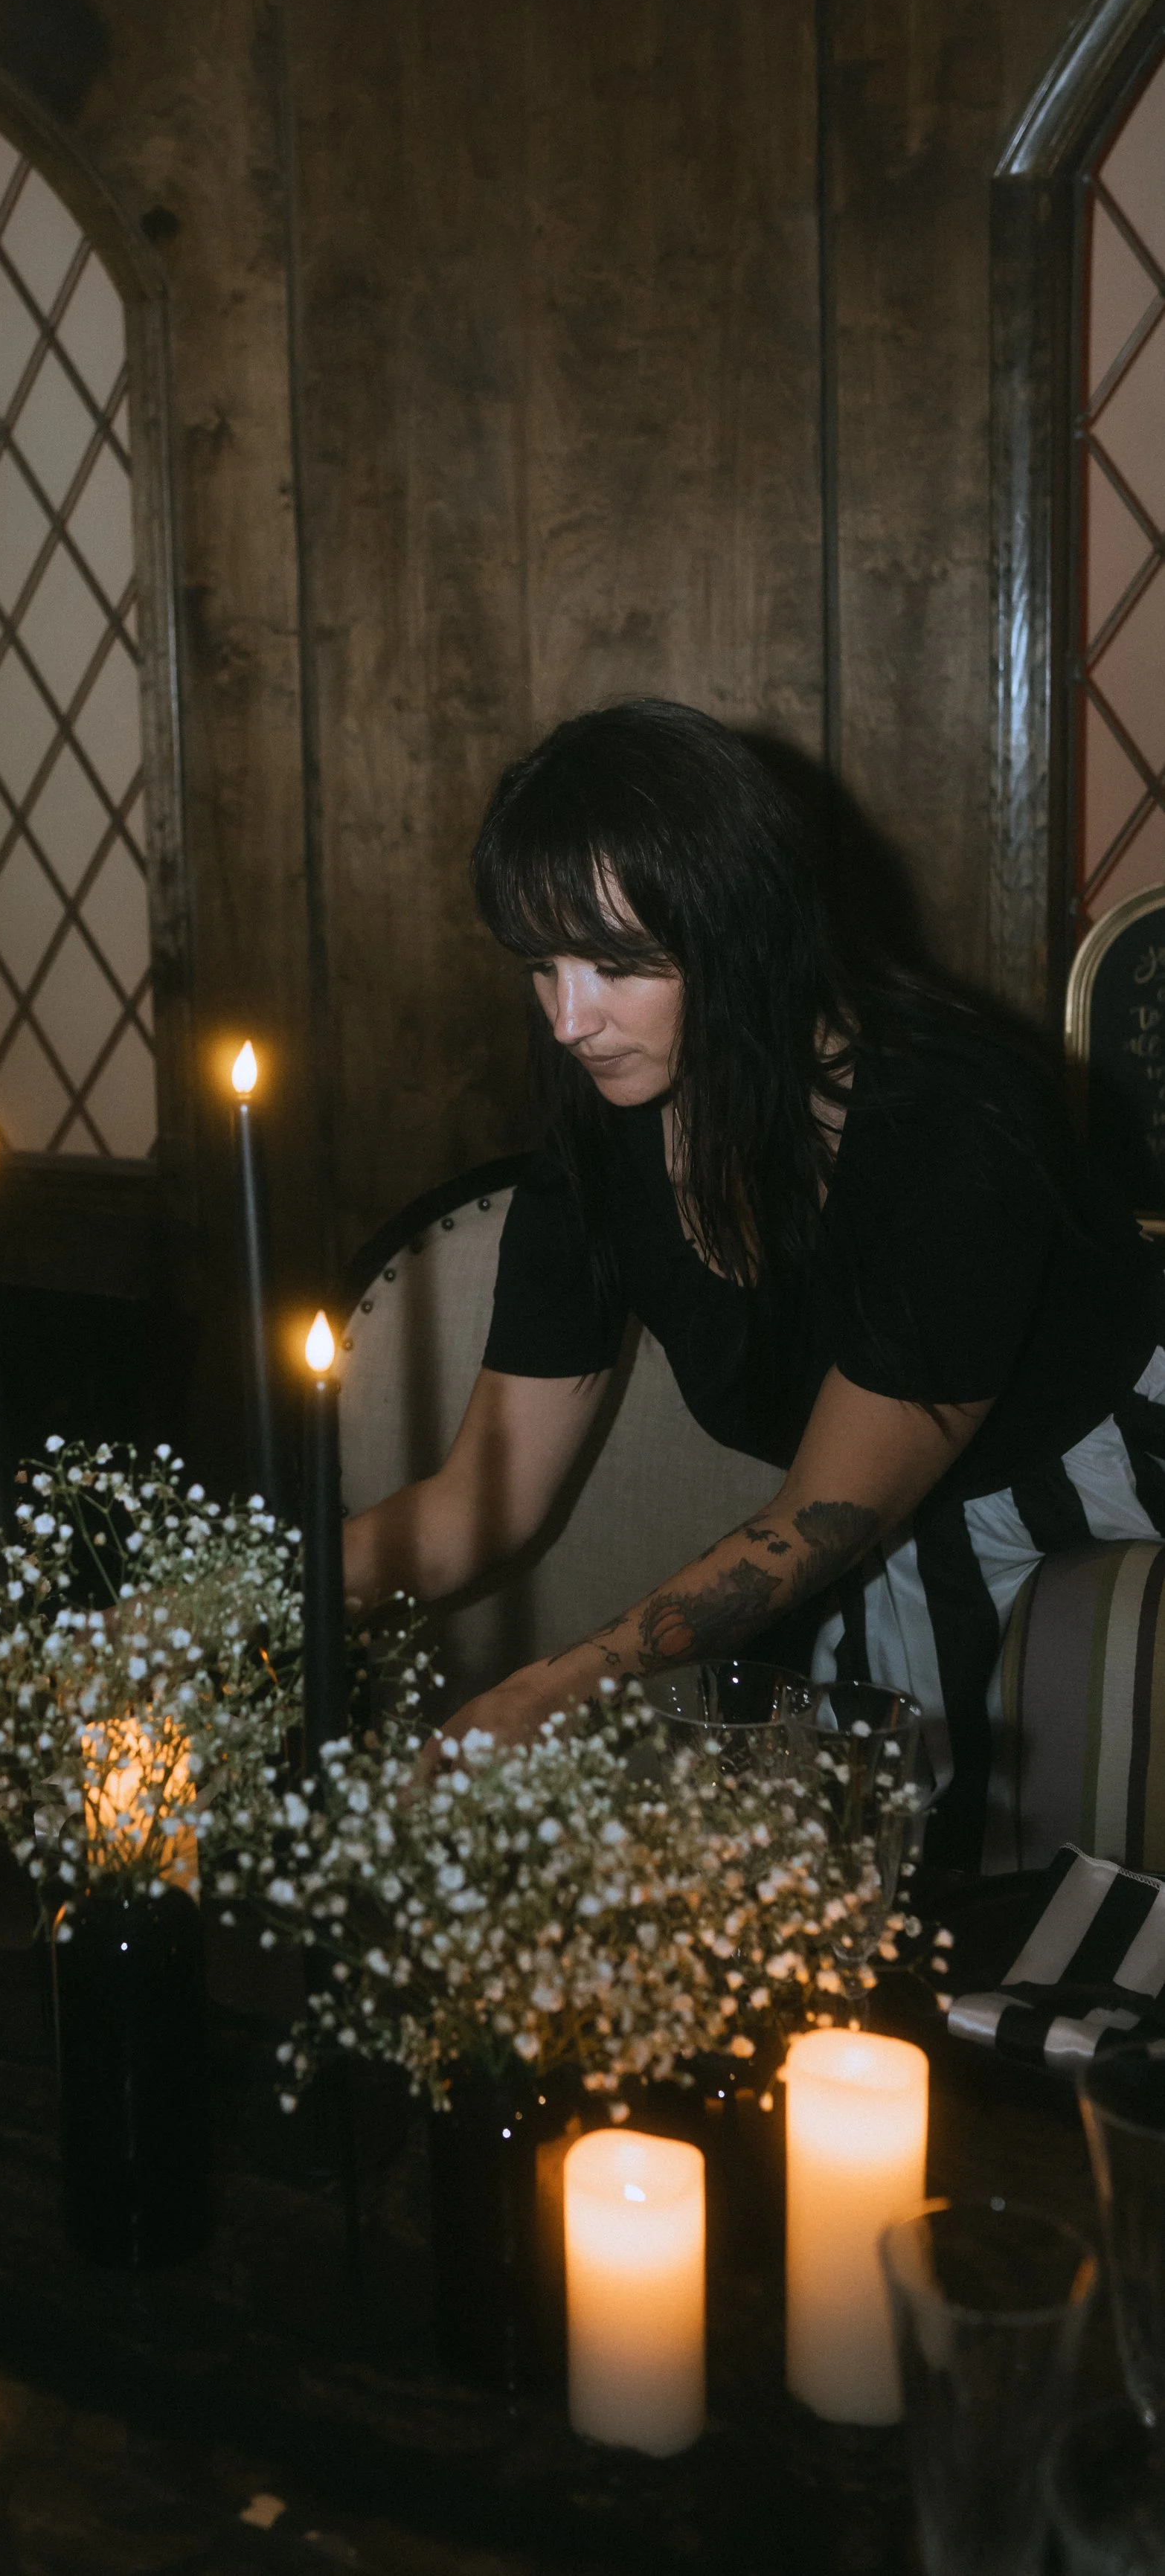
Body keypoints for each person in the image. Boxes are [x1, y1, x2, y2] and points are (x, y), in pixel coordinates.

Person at [341, 701, 1165, 1866]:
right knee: (865, 1870)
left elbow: (825, 1515)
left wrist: (552, 1688)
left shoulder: (953, 1122)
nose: (569, 1020)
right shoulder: (595, 1154)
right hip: (921, 1522)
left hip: (1129, 1436)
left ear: (742, 926)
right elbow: (481, 1499)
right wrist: (244, 1602)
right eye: (542, 966)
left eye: (618, 964)